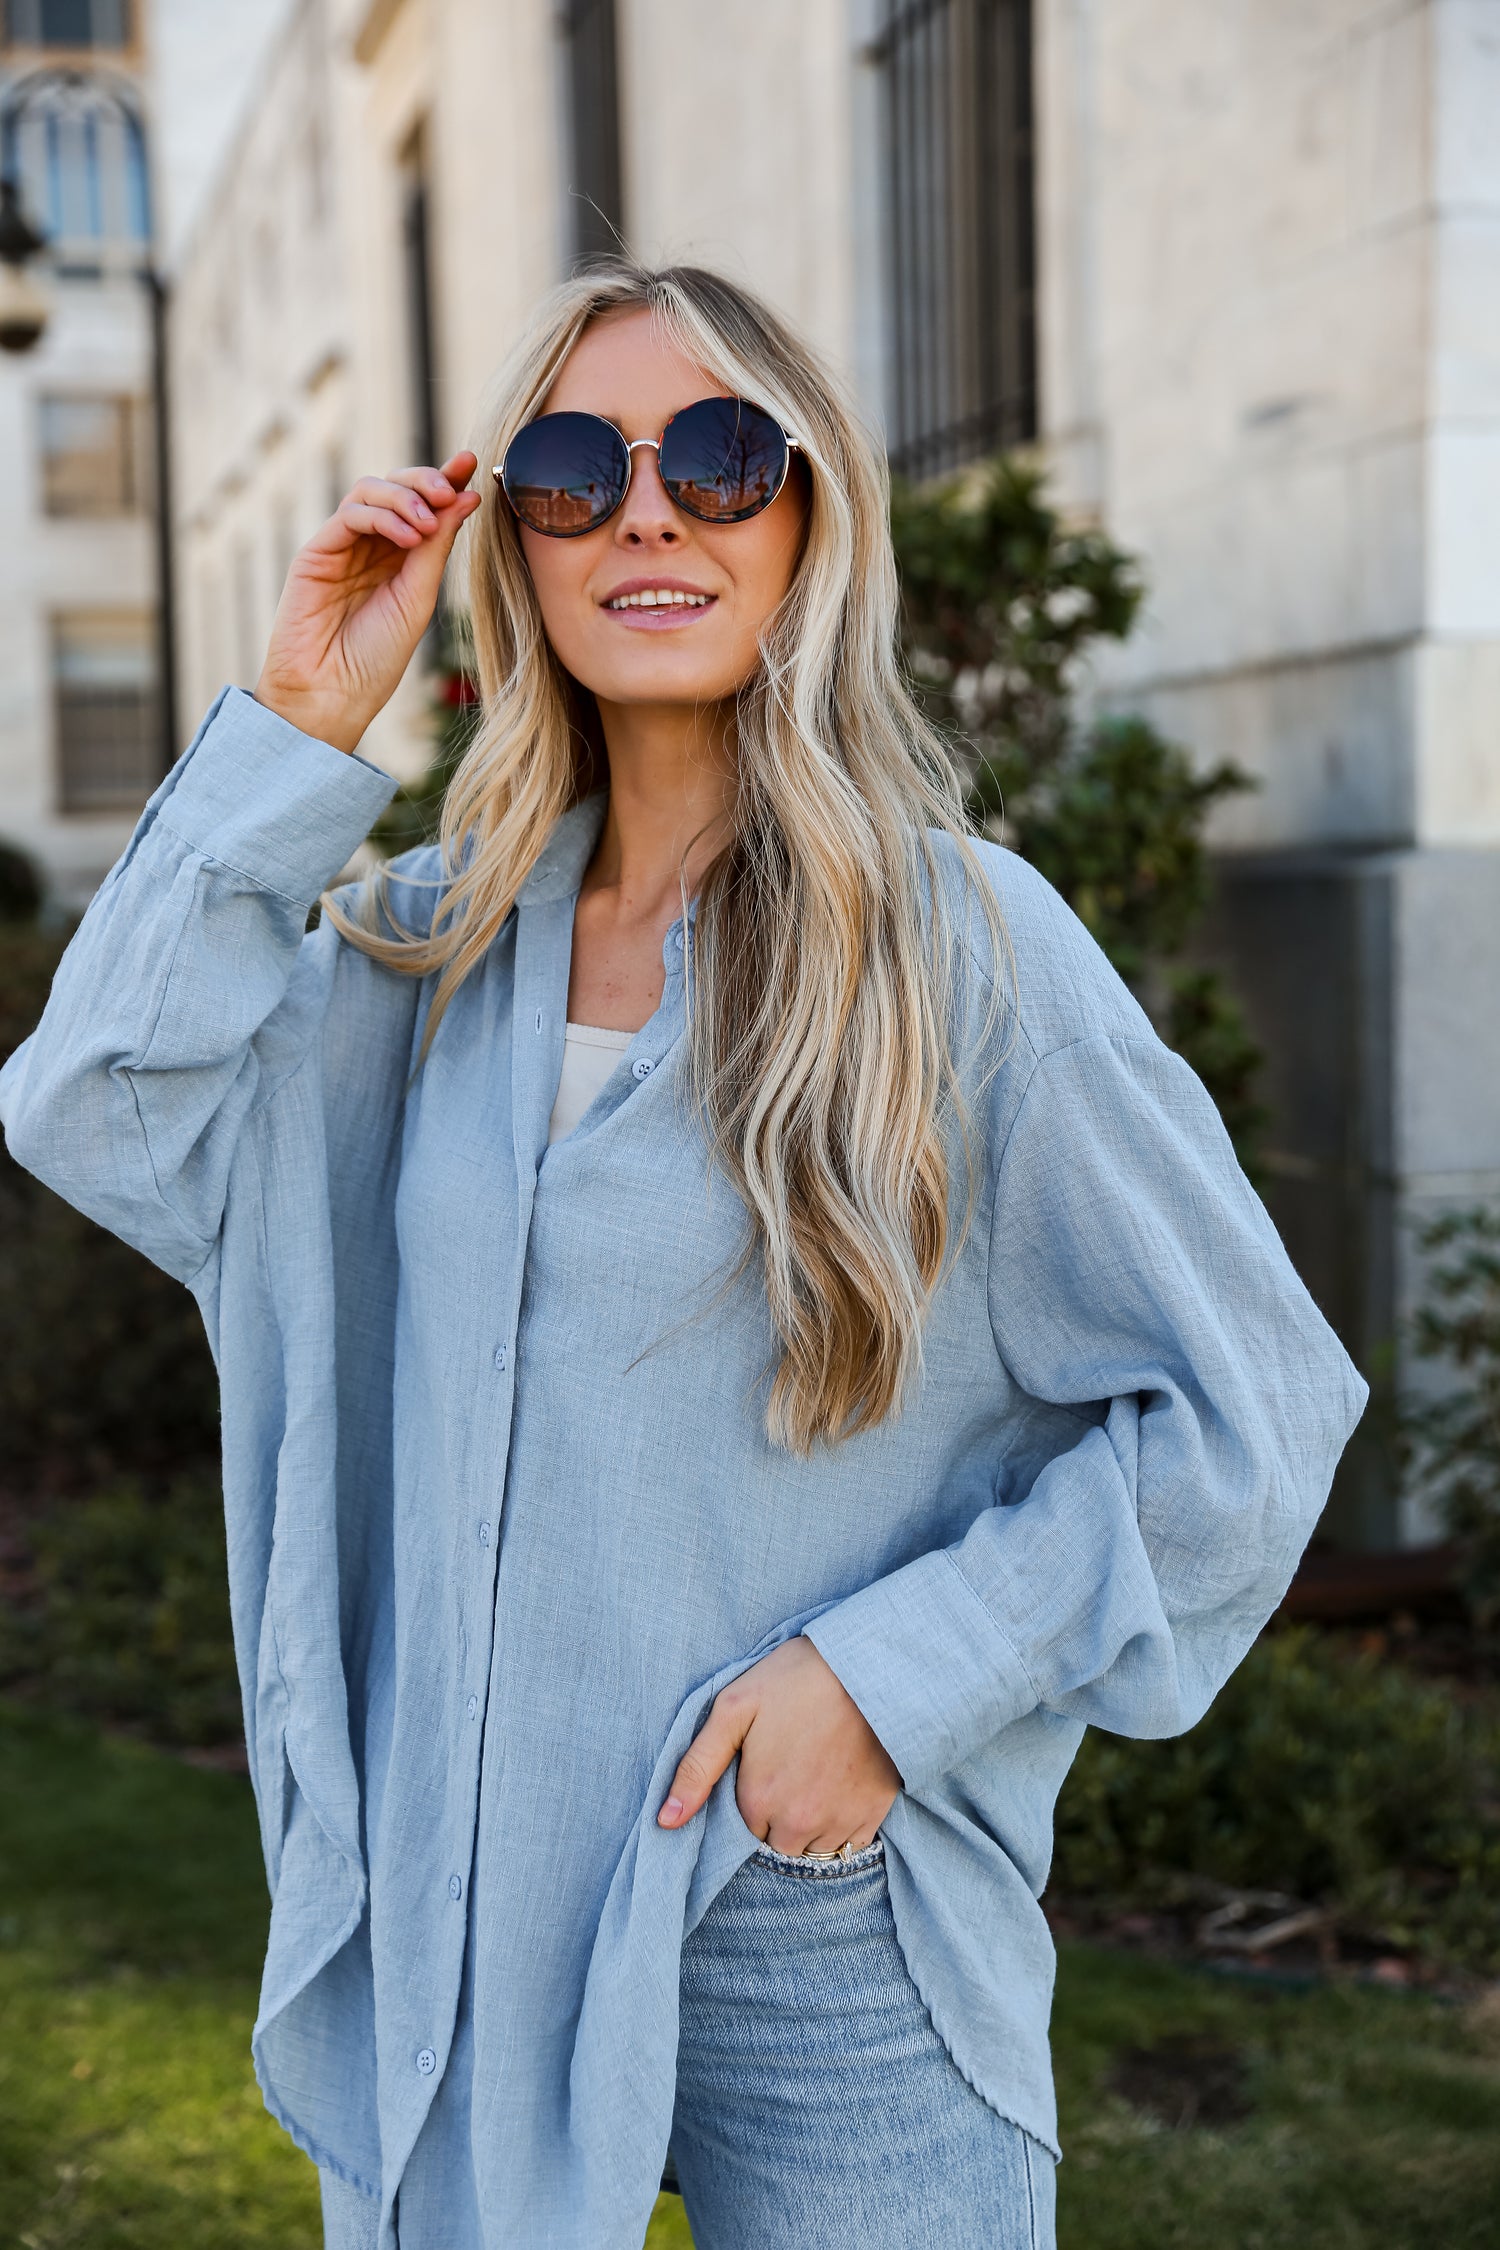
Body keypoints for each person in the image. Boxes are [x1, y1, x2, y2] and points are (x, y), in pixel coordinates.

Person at [0, 264, 1366, 2250]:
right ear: (514, 542)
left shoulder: (963, 949)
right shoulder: (414, 952)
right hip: (458, 1899)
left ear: (806, 522)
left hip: (818, 1911)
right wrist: (302, 724)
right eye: (573, 468)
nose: (651, 514)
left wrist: (895, 1681)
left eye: (721, 458)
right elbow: (93, 1101)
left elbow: (1253, 1416)